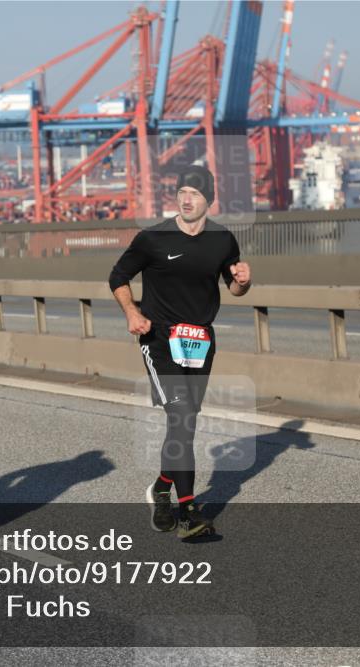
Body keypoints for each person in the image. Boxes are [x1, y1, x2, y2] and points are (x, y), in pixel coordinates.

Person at [108, 165, 252, 540]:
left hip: (200, 341)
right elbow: (117, 277)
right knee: (182, 414)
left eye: (195, 193)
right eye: (182, 192)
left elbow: (233, 289)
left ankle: (160, 489)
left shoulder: (222, 240)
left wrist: (242, 283)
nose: (187, 199)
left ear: (209, 199)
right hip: (158, 340)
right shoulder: (152, 239)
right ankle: (187, 511)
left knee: (184, 425)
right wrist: (132, 312)